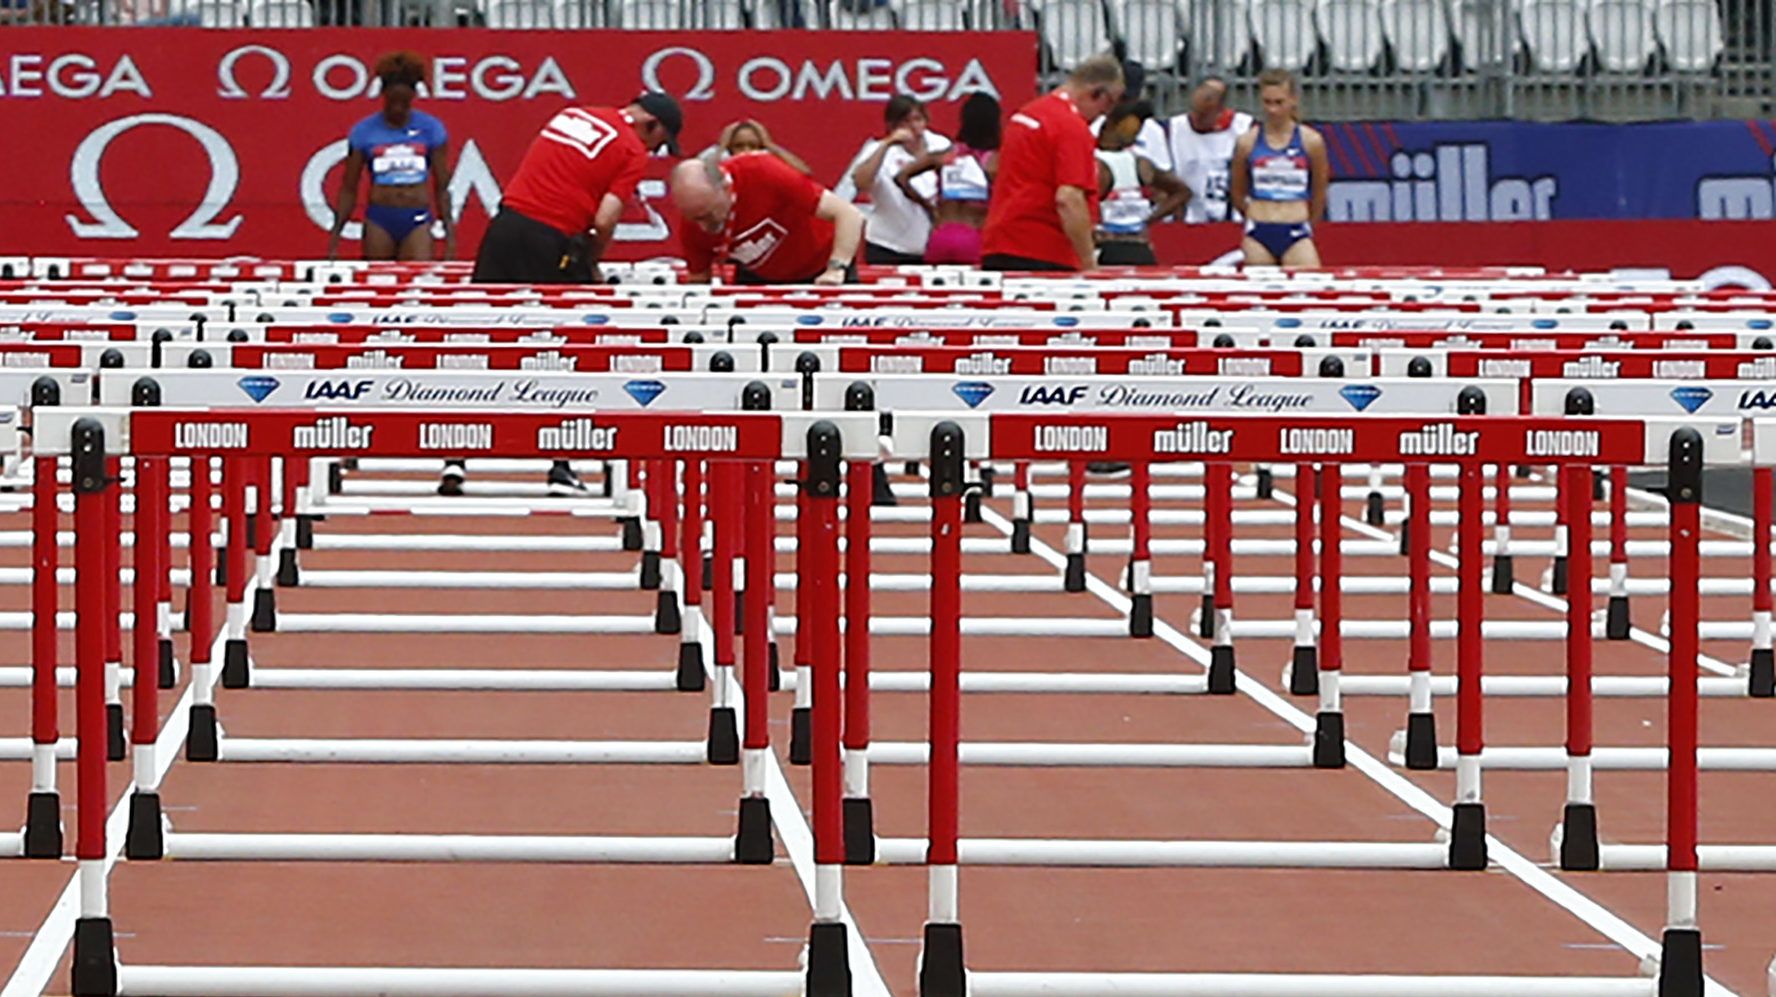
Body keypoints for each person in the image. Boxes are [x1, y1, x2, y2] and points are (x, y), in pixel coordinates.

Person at [449, 91, 682, 498]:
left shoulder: (573, 113)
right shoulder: (630, 149)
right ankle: (561, 464)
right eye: (658, 143)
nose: (652, 151)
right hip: (552, 238)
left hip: (504, 226)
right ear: (651, 126)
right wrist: (592, 261)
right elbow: (605, 217)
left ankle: (453, 458)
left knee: (478, 336)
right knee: (566, 346)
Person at [980, 54, 1124, 272]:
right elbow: (1069, 198)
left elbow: (993, 168)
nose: (1099, 118)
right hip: (1044, 249)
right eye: (1104, 109)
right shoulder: (1071, 127)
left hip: (1000, 241)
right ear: (1098, 94)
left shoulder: (1026, 115)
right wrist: (1088, 263)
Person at [327, 52, 453, 263]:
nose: (398, 109)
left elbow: (442, 187)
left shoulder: (431, 129)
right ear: (384, 94)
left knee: (417, 281)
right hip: (380, 218)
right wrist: (335, 238)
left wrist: (450, 237)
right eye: (393, 102)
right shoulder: (364, 131)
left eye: (404, 103)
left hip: (417, 217)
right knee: (378, 279)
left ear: (413, 96)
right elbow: (349, 187)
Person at [670, 153, 865, 286]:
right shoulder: (693, 220)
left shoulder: (763, 173)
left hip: (821, 267)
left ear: (726, 188)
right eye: (695, 218)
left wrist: (836, 268)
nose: (703, 225)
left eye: (708, 214)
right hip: (761, 277)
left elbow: (849, 215)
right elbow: (698, 279)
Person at [1228, 69, 1329, 267]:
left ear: (1293, 100)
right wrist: (1252, 213)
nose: (1272, 110)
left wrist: (1309, 223)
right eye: (1267, 102)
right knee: (1261, 290)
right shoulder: (1247, 142)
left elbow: (1319, 190)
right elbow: (1237, 190)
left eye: (1279, 103)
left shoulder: (1311, 141)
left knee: (1308, 286)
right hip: (1259, 228)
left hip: (1296, 228)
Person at [896, 93, 1000, 266]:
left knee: (935, 291)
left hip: (941, 235)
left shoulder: (944, 156)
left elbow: (901, 177)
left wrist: (928, 206)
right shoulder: (996, 162)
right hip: (975, 235)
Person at [849, 96, 949, 265]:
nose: (913, 127)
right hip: (887, 245)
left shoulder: (940, 144)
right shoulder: (877, 151)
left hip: (931, 246)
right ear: (892, 125)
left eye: (918, 119)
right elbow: (861, 183)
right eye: (905, 121)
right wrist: (887, 144)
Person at [1094, 102, 1190, 266]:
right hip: (1122, 244)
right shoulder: (1136, 162)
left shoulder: (1139, 162)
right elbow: (1181, 192)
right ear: (1110, 124)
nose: (1135, 133)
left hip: (1124, 243)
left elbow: (1182, 192)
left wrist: (1148, 219)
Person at [1166, 76, 1255, 225]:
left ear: (1220, 111)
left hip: (1235, 219)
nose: (1196, 119)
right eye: (1195, 111)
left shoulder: (1245, 129)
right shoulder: (1174, 129)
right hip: (1190, 220)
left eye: (1203, 115)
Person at [700, 119, 813, 175]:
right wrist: (722, 146)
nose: (746, 151)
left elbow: (804, 173)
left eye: (753, 146)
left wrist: (770, 145)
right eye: (739, 146)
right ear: (730, 149)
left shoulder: (769, 166)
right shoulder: (723, 167)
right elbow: (700, 178)